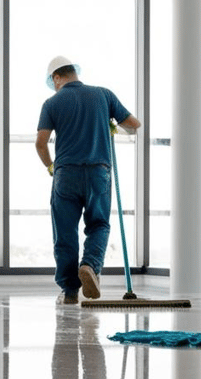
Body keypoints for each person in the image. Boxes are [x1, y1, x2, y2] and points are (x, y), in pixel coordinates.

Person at [35, 56, 140, 305]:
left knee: (64, 232)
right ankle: (90, 266)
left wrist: (50, 166)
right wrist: (113, 124)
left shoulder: (51, 103)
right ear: (75, 73)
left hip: (65, 174)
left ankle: (70, 291)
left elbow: (40, 143)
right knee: (99, 224)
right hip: (98, 172)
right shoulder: (103, 95)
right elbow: (134, 126)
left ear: (56, 78)